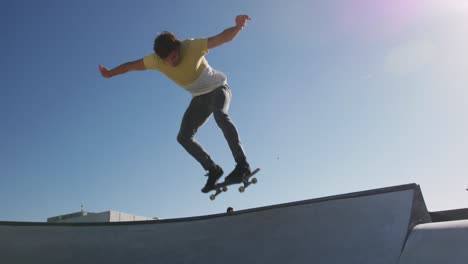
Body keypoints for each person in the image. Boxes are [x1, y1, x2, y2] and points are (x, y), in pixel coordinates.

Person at [98, 15, 252, 193]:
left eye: (174, 56)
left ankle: (242, 165)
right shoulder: (156, 61)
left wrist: (238, 27)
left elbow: (220, 38)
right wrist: (110, 73)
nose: (172, 62)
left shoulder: (191, 46)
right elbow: (131, 65)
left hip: (219, 88)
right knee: (183, 137)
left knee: (220, 116)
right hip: (200, 98)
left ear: (178, 47)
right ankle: (213, 169)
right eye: (167, 60)